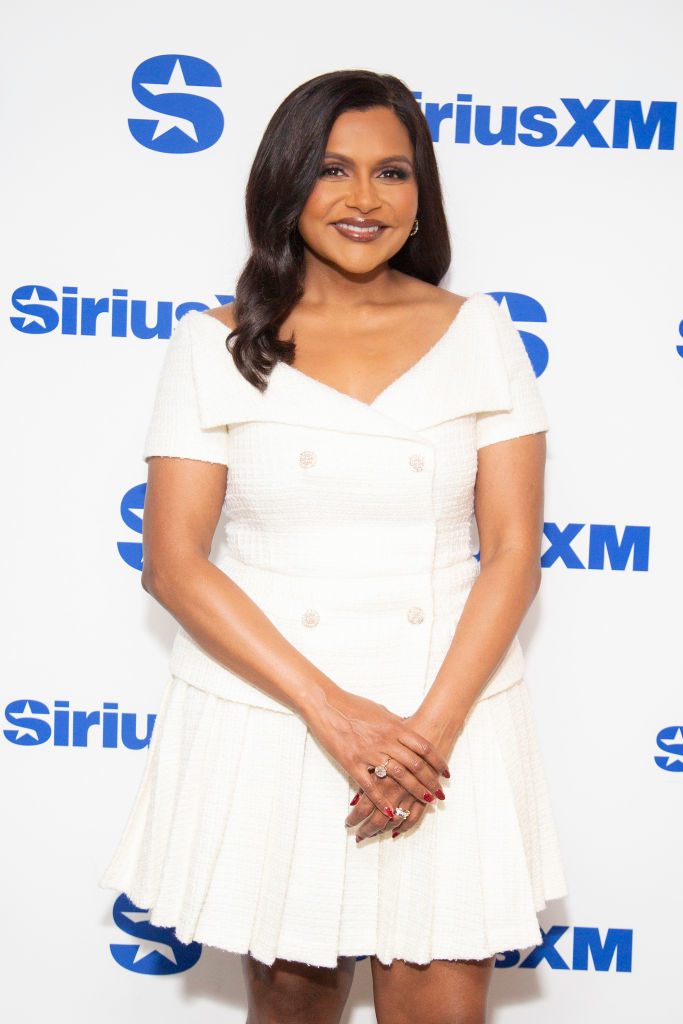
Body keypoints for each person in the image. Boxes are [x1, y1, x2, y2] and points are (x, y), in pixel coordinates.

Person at [100, 69, 568, 1023]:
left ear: (420, 193)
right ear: (286, 185)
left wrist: (423, 737)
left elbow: (513, 551)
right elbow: (173, 563)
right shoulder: (216, 344)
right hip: (278, 713)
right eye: (332, 170)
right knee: (291, 1009)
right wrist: (336, 715)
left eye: (391, 173)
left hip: (448, 715)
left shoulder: (480, 332)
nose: (364, 200)